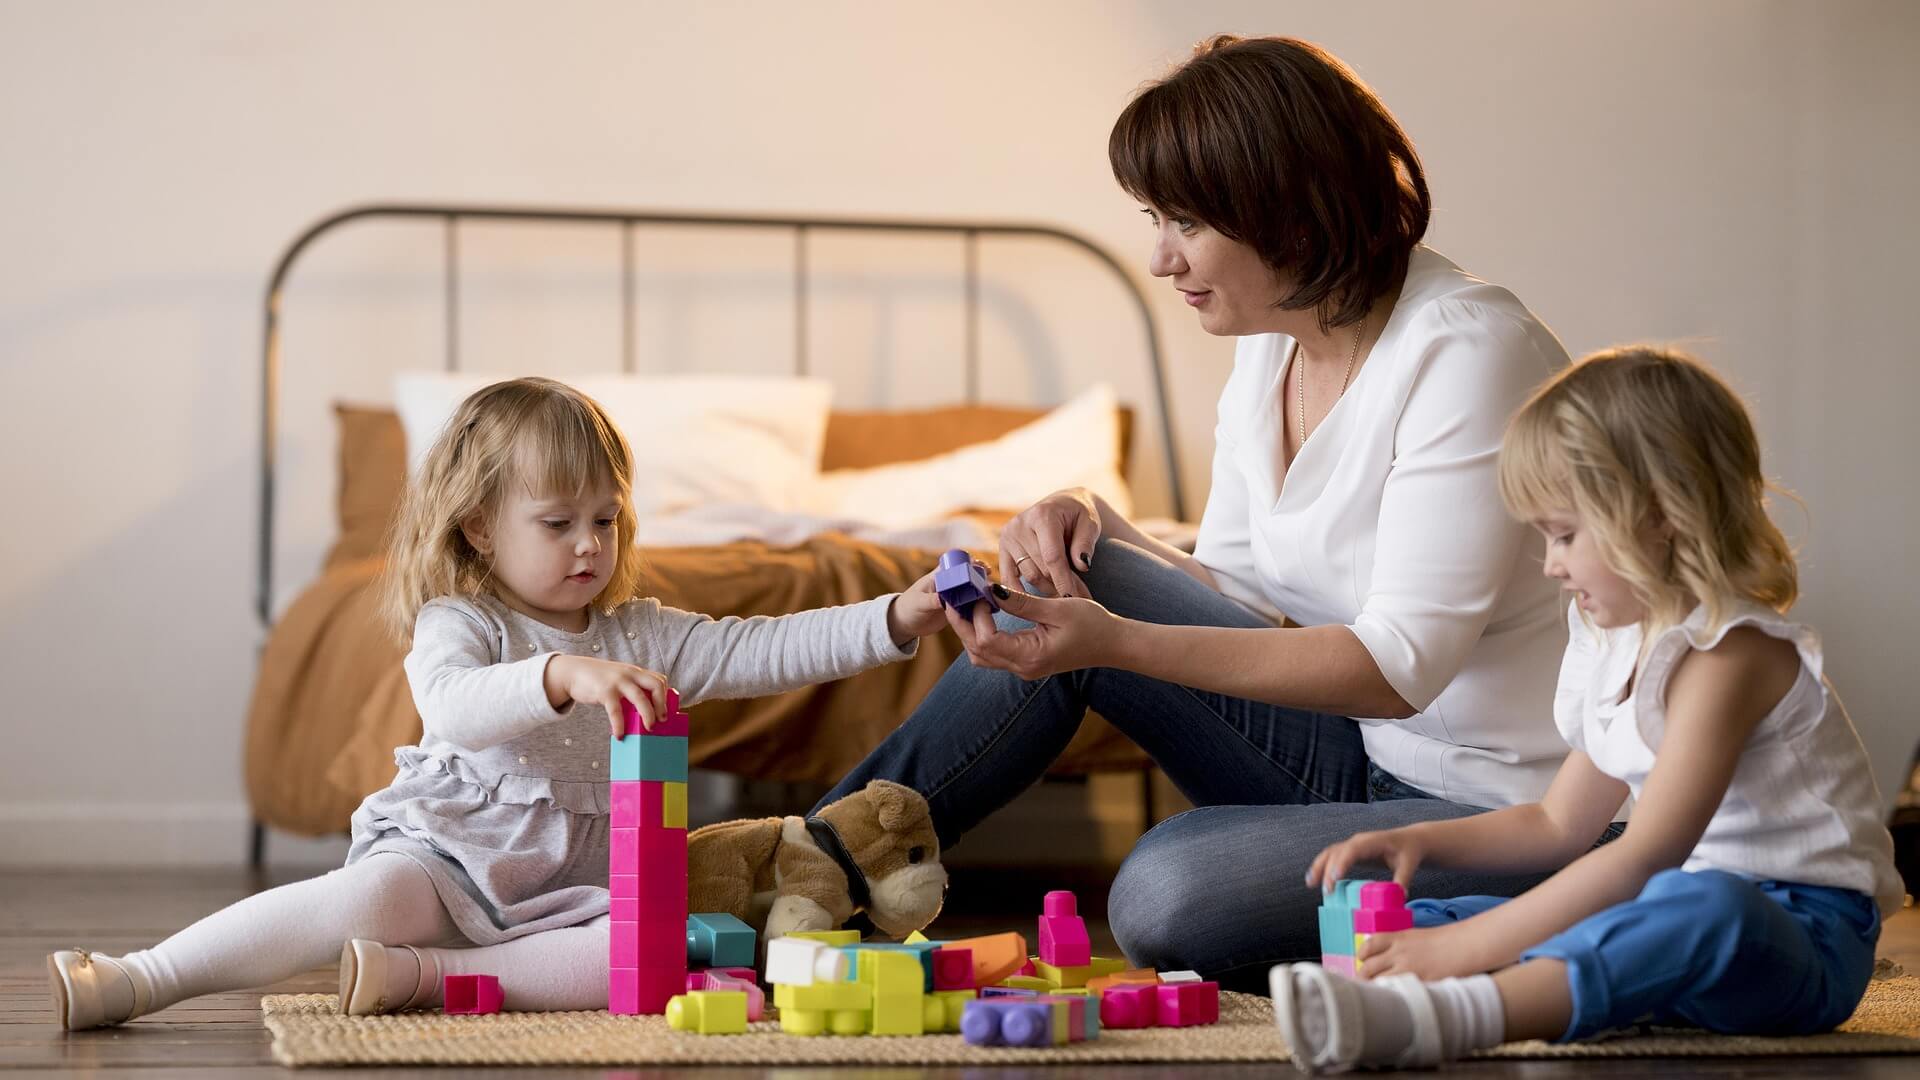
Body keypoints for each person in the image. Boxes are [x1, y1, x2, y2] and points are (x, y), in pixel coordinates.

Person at [816, 34, 1584, 988]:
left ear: (1289, 213)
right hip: (1356, 764)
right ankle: (807, 875)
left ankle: (1534, 912)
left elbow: (1396, 671)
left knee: (1164, 891)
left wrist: (1113, 643)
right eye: (1155, 218)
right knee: (1061, 570)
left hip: (1506, 809)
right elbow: (1245, 593)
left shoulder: (1467, 352)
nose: (1158, 258)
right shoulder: (1273, 343)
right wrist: (1098, 518)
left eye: (1185, 221)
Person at [46, 377, 952, 1028]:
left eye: (606, 518)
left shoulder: (644, 630)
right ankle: (142, 977)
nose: (589, 544)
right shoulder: (460, 620)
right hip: (451, 855)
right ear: (480, 525)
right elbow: (451, 708)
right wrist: (561, 677)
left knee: (642, 955)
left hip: (586, 881)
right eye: (557, 523)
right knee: (364, 900)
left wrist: (897, 616)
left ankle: (427, 979)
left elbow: (767, 646)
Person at [1272, 347, 1904, 1072]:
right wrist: (1423, 843)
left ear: (1661, 515)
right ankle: (1384, 993)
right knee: (1439, 922)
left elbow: (1646, 853)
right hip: (1671, 908)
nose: (1550, 565)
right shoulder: (1615, 643)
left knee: (1700, 912)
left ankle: (1457, 1017)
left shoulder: (1732, 655)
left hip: (1801, 937)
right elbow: (1557, 823)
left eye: (1565, 534)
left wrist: (1466, 954)